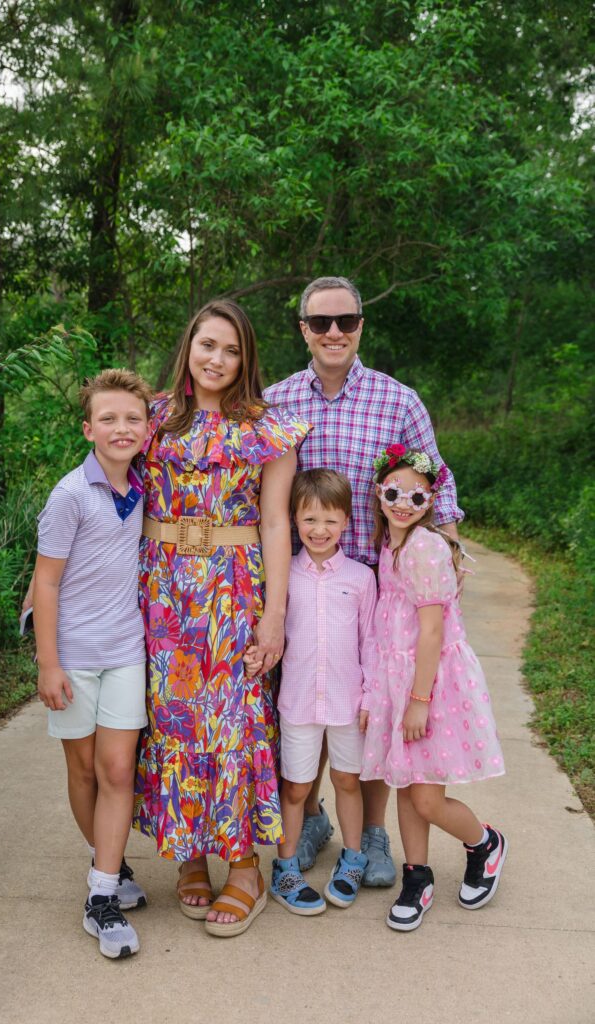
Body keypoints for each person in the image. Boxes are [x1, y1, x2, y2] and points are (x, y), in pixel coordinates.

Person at [264, 275, 464, 886]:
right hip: (296, 585)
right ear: (302, 329)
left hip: (379, 589)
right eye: (320, 322)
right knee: (303, 699)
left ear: (360, 328)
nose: (333, 333)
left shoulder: (397, 402)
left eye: (345, 321)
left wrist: (446, 580)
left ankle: (373, 833)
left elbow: (441, 491)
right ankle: (313, 818)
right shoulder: (274, 402)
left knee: (365, 708)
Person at [133, 299, 310, 937]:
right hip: (163, 593)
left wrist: (275, 617)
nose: (218, 359)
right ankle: (191, 855)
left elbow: (274, 525)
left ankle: (244, 867)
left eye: (232, 350)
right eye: (209, 344)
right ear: (189, 346)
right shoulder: (150, 417)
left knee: (234, 724)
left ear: (246, 360)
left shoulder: (267, 428)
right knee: (176, 721)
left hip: (234, 593)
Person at [362, 445, 506, 931]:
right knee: (405, 785)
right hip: (398, 680)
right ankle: (417, 876)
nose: (404, 502)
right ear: (379, 492)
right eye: (394, 492)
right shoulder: (391, 541)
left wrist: (418, 701)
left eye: (417, 497)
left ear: (431, 502)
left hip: (428, 685)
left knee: (425, 797)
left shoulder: (424, 546)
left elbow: (431, 630)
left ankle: (484, 842)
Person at [33, 368, 152, 959]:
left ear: (148, 429)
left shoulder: (145, 489)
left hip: (127, 652)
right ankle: (112, 864)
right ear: (88, 429)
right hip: (74, 658)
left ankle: (101, 896)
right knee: (83, 772)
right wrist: (47, 663)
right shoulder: (70, 495)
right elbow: (46, 583)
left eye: (133, 418)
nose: (121, 427)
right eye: (108, 418)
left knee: (117, 771)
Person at [245, 469, 377, 914]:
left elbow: (371, 642)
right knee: (297, 787)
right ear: (294, 521)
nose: (319, 531)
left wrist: (372, 696)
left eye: (330, 521)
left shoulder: (361, 578)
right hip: (299, 700)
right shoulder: (283, 576)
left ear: (346, 523)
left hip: (347, 702)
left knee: (346, 780)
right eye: (309, 520)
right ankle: (285, 869)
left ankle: (353, 859)